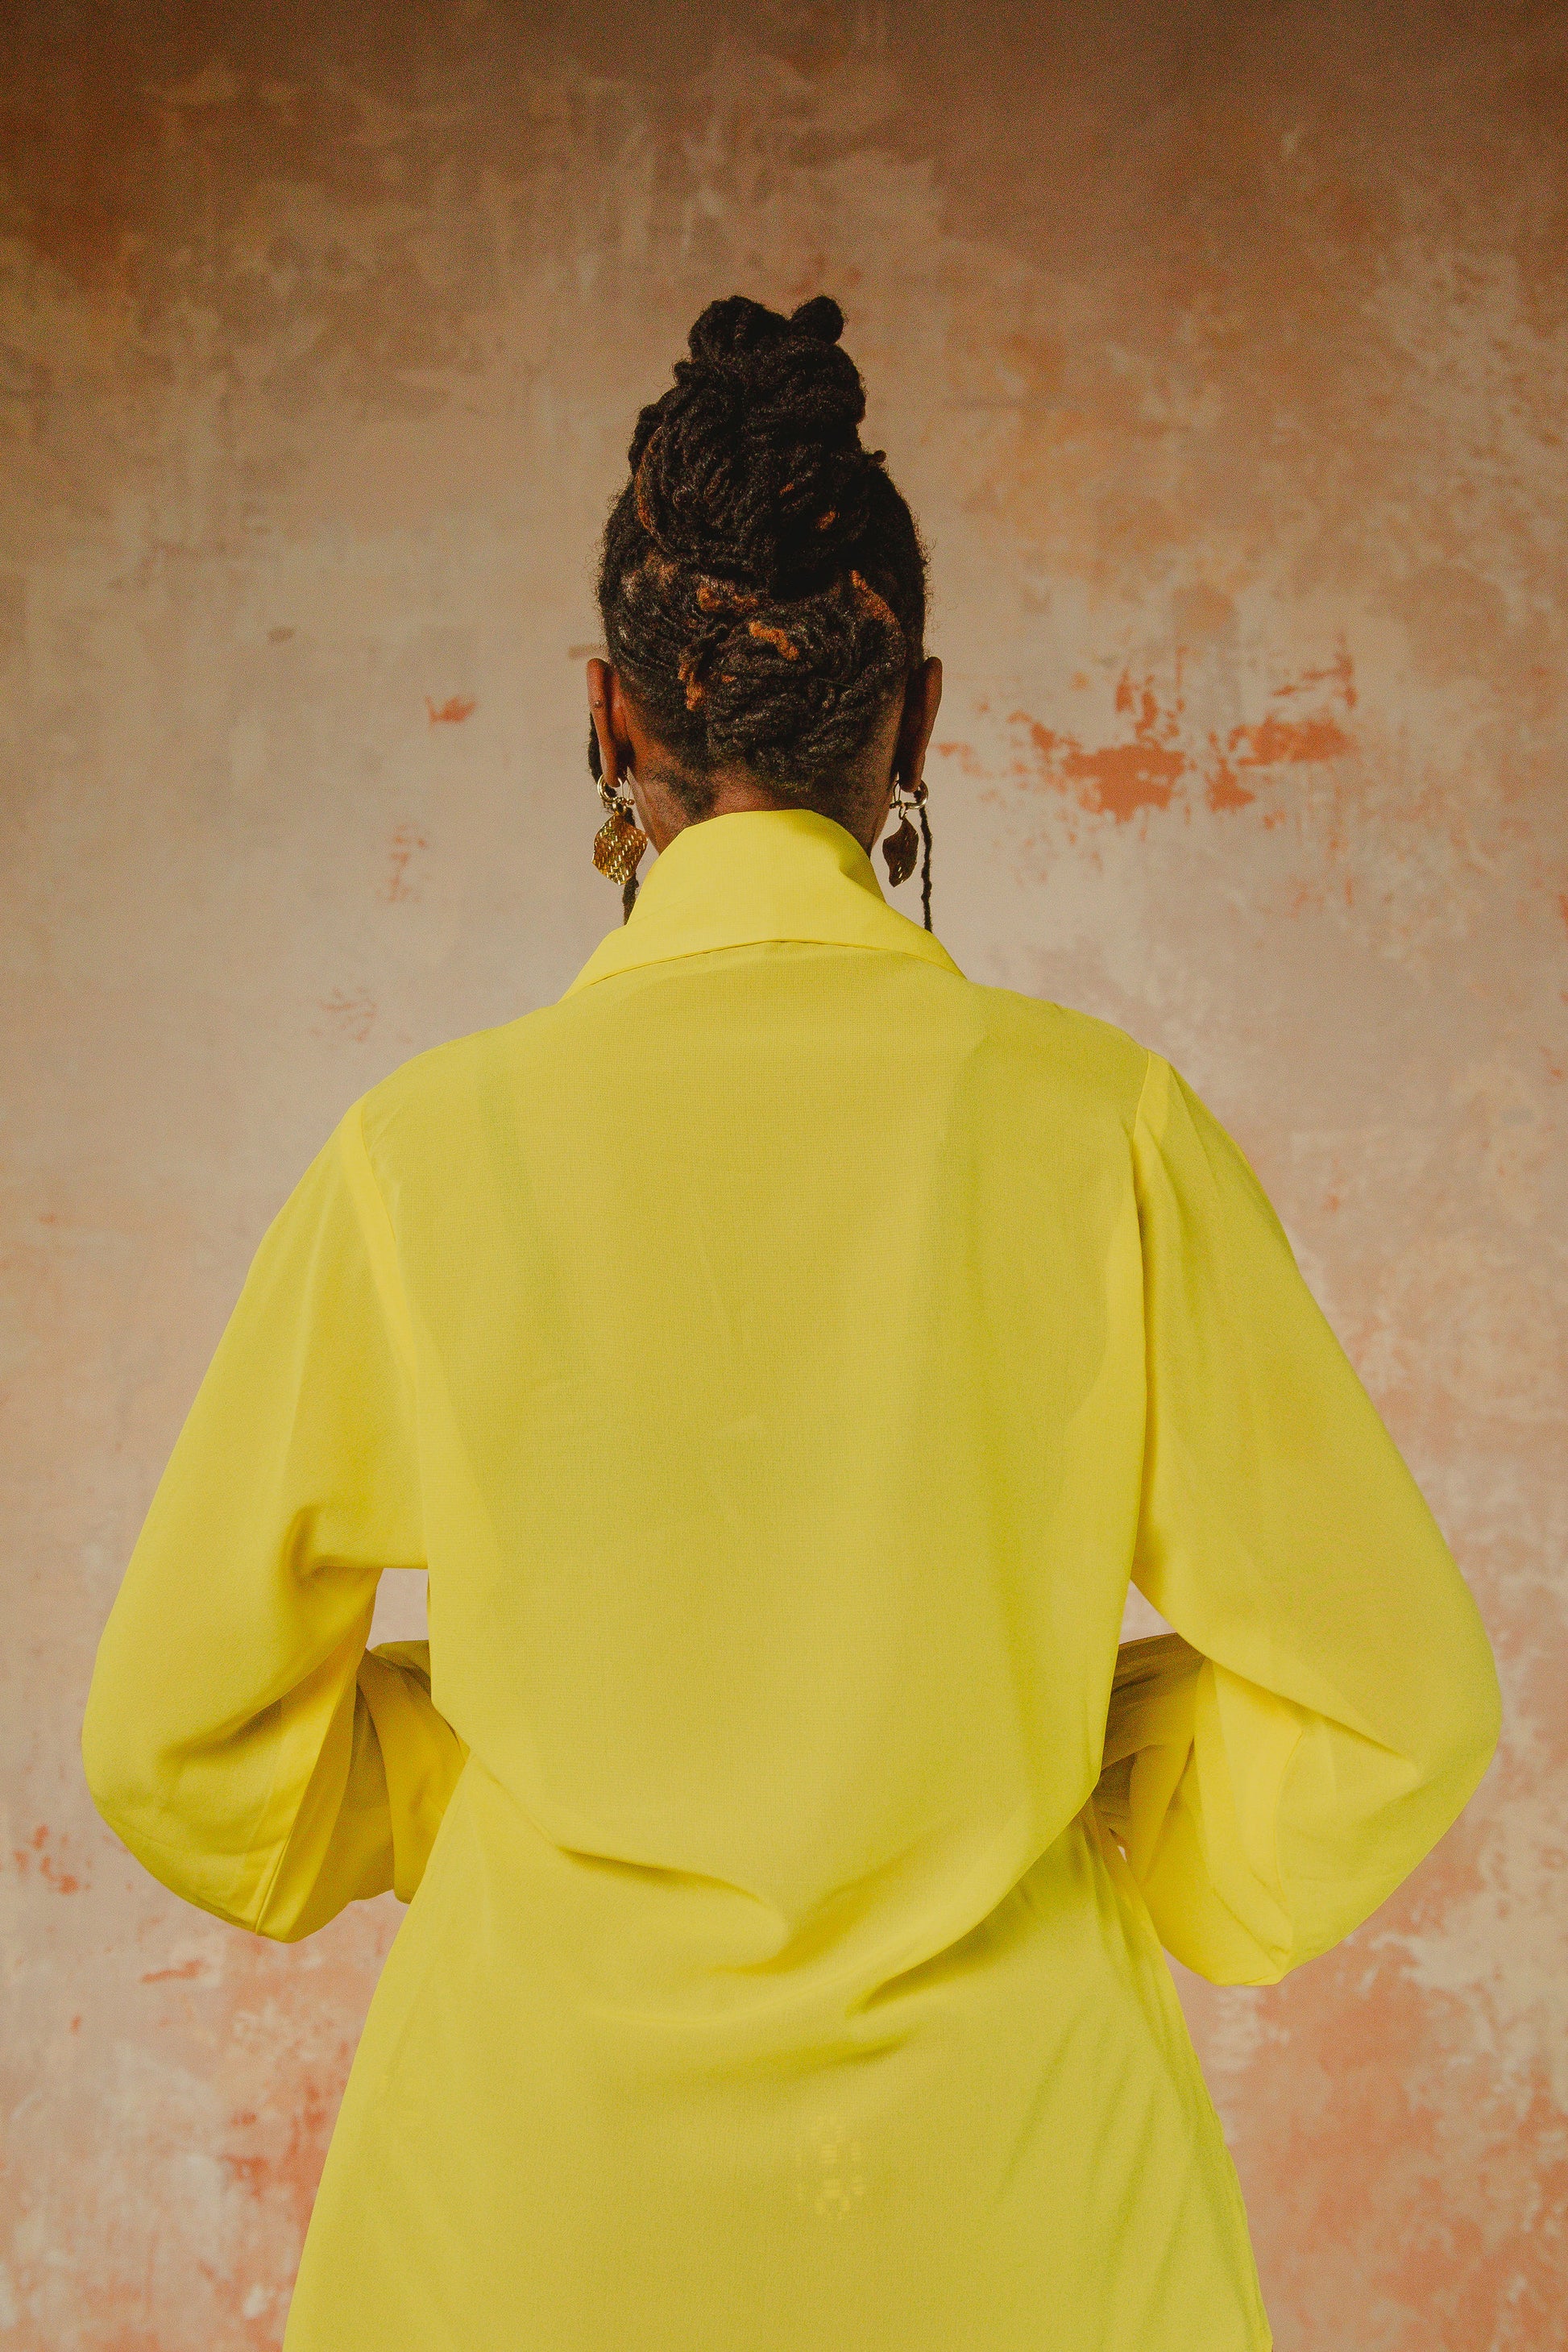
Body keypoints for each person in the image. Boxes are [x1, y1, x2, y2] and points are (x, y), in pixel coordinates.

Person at [81, 293, 1502, 2352]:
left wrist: (470, 1784)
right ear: (912, 725)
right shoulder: (1100, 1132)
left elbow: (177, 1741)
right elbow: (1398, 1704)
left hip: (522, 2236)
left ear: (606, 720)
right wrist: (1093, 1780)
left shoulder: (419, 1158)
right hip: (1017, 2230)